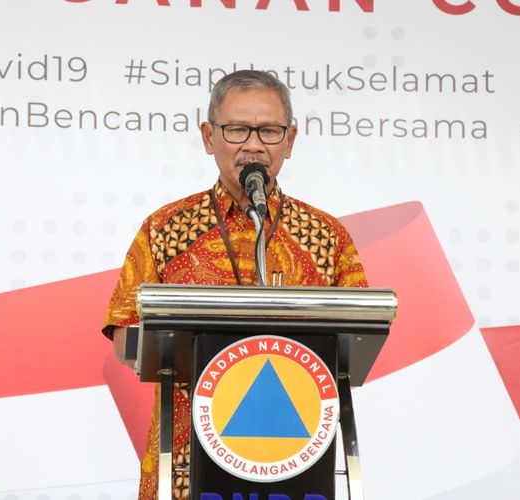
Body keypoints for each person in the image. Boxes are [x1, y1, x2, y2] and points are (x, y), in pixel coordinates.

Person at [103, 70, 368, 500]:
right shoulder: (166, 229)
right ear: (209, 137)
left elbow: (358, 338)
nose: (254, 144)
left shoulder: (326, 236)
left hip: (293, 456)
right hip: (187, 464)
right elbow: (124, 337)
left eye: (269, 130)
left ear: (290, 141)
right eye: (237, 129)